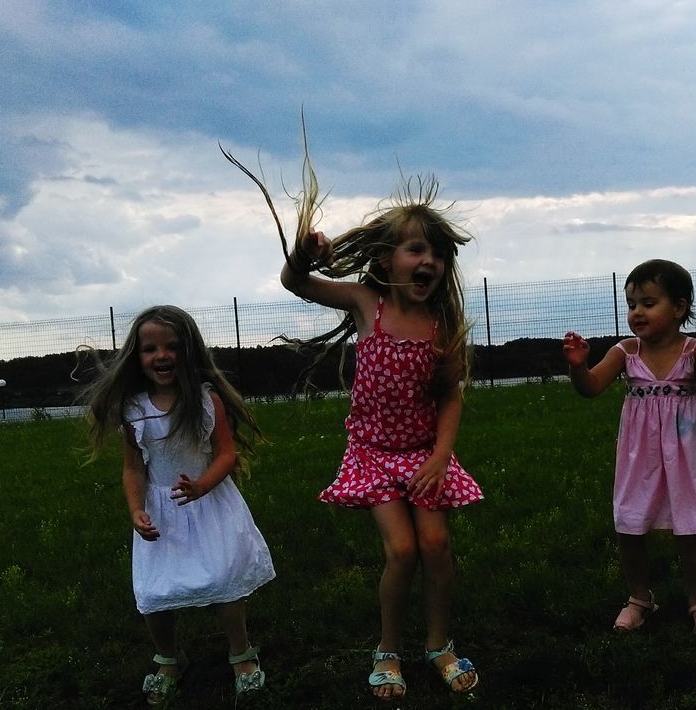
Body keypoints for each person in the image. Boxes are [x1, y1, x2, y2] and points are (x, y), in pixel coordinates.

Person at [278, 174, 483, 700]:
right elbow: (295, 283)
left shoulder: (443, 323)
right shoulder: (370, 304)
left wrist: (440, 457)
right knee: (403, 551)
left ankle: (439, 644)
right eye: (417, 249)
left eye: (438, 254)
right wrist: (304, 255)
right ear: (388, 258)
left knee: (435, 545)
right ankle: (388, 648)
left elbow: (450, 396)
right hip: (371, 453)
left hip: (422, 454)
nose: (430, 262)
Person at [79, 305, 275, 705]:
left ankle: (241, 653)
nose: (161, 356)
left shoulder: (206, 401)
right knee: (154, 592)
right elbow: (133, 468)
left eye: (171, 346)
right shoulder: (133, 409)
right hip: (161, 511)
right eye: (150, 349)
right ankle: (168, 657)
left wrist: (203, 484)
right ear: (137, 356)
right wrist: (136, 510)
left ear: (189, 351)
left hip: (208, 505)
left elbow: (225, 454)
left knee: (224, 581)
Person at [562, 259, 696, 635]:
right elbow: (591, 387)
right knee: (631, 524)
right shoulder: (626, 351)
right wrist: (578, 367)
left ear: (679, 307)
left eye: (648, 303)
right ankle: (640, 597)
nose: (637, 312)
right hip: (640, 456)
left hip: (688, 454)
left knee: (691, 525)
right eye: (631, 304)